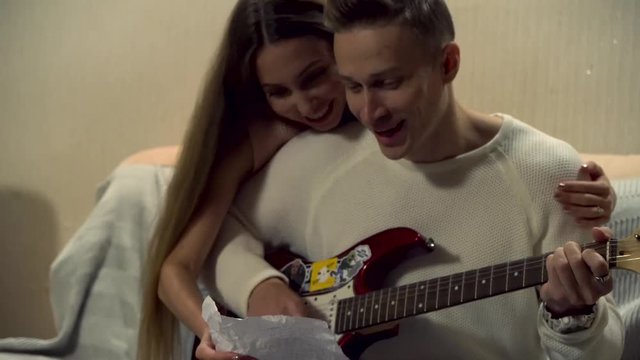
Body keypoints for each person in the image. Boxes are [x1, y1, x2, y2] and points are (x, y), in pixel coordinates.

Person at [136, 0, 617, 359]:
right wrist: (257, 286)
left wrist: (571, 318)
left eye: (388, 82)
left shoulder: (549, 173)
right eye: (352, 85)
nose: (368, 111)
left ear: (447, 64)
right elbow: (216, 235)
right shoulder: (314, 152)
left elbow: (598, 350)